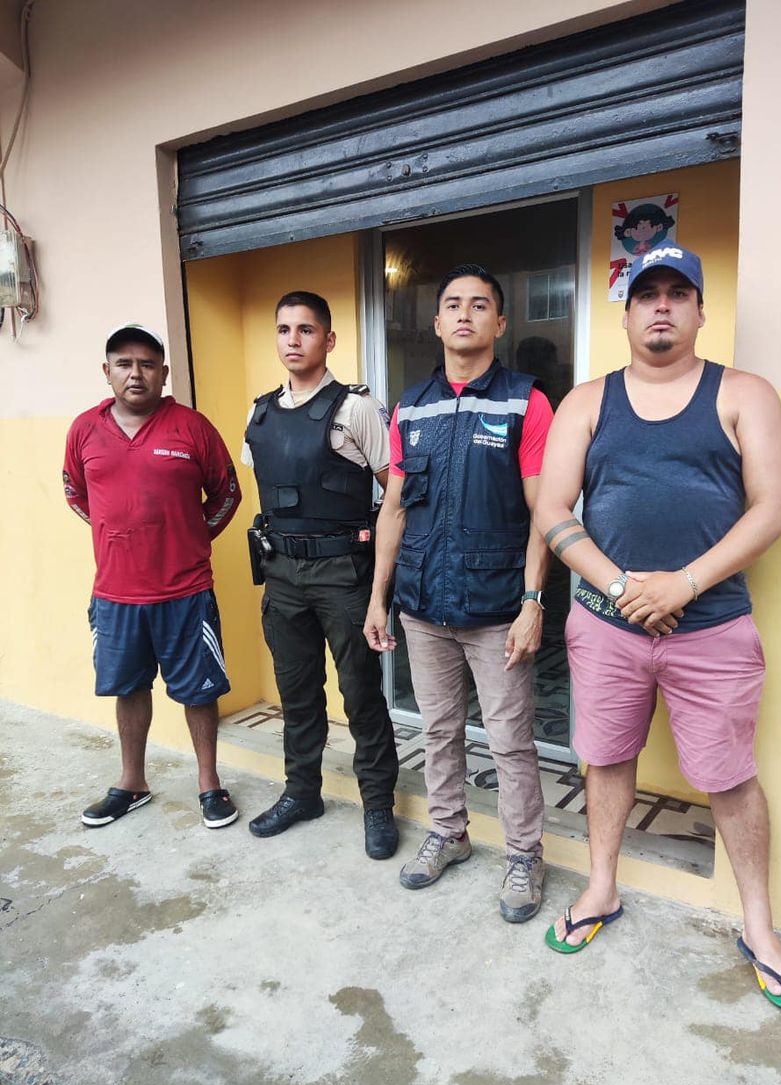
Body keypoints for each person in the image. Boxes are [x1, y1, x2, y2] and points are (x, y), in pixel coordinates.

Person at [535, 241, 781, 1010]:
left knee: (728, 776)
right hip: (606, 625)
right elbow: (551, 508)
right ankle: (600, 887)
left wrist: (684, 583)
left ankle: (758, 927)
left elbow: (774, 507)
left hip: (712, 626)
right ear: (625, 315)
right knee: (604, 759)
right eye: (645, 294)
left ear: (698, 311)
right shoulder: (586, 402)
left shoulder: (743, 394)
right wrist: (623, 588)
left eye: (676, 294)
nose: (660, 306)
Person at [364, 264, 552, 923]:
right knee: (438, 729)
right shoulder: (411, 406)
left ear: (500, 322)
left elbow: (545, 513)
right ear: (437, 322)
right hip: (422, 605)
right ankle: (449, 831)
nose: (464, 314)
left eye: (479, 304)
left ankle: (525, 854)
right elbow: (393, 508)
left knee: (509, 740)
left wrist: (532, 603)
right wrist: (379, 598)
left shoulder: (526, 402)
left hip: (497, 608)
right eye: (452, 304)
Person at [64, 323, 242, 830]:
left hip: (186, 591)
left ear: (164, 373)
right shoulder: (84, 429)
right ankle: (131, 783)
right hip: (116, 594)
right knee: (128, 687)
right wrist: (113, 532)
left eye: (146, 364)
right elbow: (75, 492)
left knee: (199, 691)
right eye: (124, 364)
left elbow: (227, 493)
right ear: (107, 371)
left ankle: (209, 784)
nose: (135, 374)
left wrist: (191, 535)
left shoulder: (192, 427)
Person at [242, 291, 399, 860]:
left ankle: (377, 804)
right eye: (284, 329)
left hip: (342, 573)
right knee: (297, 692)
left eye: (306, 330)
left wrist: (381, 586)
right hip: (282, 573)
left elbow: (395, 493)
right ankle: (301, 793)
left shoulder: (357, 409)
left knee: (361, 694)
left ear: (329, 339)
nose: (293, 340)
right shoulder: (259, 413)